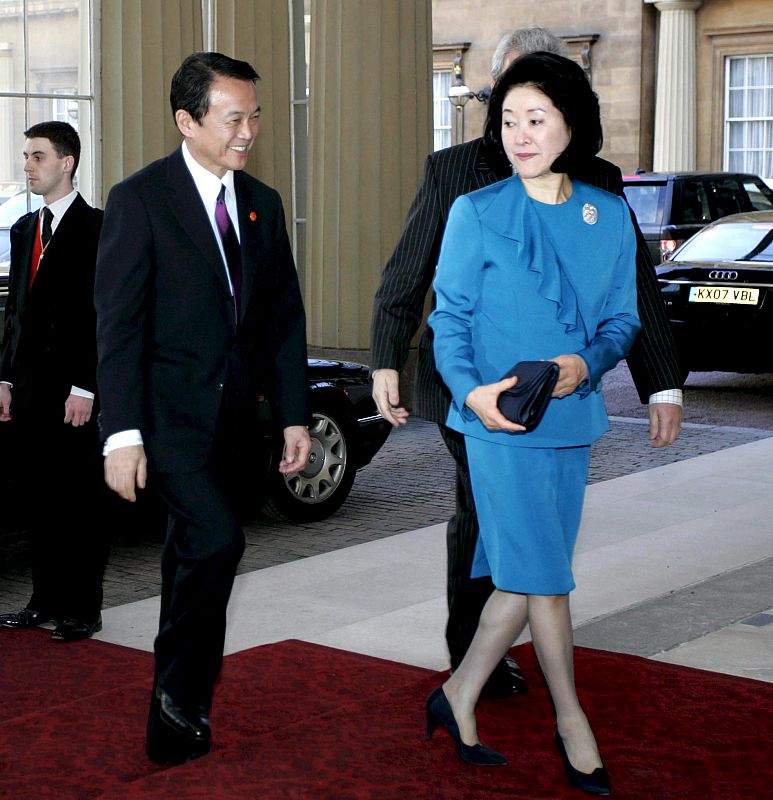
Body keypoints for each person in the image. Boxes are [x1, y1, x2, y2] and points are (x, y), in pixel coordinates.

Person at [370, 27, 684, 696]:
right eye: (505, 103)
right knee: (483, 514)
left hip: (564, 396)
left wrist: (661, 384)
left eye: (536, 106)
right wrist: (382, 360)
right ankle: (474, 664)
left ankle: (476, 677)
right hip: (472, 388)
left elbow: (630, 292)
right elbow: (408, 276)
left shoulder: (597, 185)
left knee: (520, 525)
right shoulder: (453, 173)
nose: (515, 123)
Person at [425, 51, 638, 795]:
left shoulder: (606, 214)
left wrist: (589, 363)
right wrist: (468, 393)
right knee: (545, 577)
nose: (519, 133)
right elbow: (447, 319)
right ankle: (571, 720)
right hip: (497, 424)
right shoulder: (476, 212)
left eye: (535, 118)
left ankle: (456, 695)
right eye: (508, 120)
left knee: (521, 576)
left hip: (570, 420)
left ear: (569, 124)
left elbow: (621, 319)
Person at [94, 52, 311, 765]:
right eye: (231, 118)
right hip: (167, 422)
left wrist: (292, 415)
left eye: (254, 116)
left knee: (192, 556)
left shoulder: (263, 203)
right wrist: (120, 434)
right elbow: (118, 326)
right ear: (187, 121)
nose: (247, 132)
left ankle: (172, 709)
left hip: (237, 423)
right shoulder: (140, 199)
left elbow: (282, 318)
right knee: (219, 542)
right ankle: (181, 694)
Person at [0, 122, 108, 642]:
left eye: (37, 156)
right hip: (28, 388)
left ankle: (83, 608)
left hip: (73, 392)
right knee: (39, 498)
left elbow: (103, 315)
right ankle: (43, 601)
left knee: (78, 501)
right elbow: (15, 313)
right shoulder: (24, 230)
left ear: (66, 162)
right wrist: (3, 376)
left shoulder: (100, 229)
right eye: (26, 156)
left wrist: (86, 387)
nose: (28, 165)